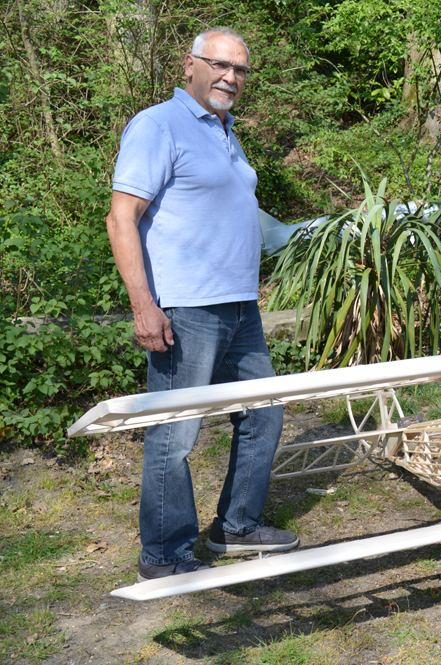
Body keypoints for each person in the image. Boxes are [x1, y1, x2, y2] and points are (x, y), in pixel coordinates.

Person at [106, 26, 298, 582]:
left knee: (264, 411)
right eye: (220, 65)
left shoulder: (225, 131)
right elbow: (122, 218)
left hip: (239, 307)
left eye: (240, 70)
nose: (230, 78)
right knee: (175, 431)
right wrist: (144, 305)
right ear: (187, 65)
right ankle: (164, 554)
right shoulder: (157, 126)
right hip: (184, 309)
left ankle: (235, 526)